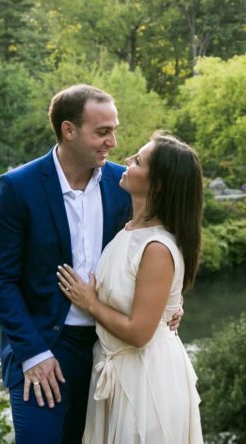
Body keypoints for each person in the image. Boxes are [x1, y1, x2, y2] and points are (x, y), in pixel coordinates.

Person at [0, 85, 181, 444]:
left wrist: (171, 303)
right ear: (68, 130)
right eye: (102, 132)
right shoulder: (17, 187)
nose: (113, 142)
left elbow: (155, 245)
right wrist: (33, 354)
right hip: (44, 350)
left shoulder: (124, 183)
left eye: (114, 130)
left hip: (110, 352)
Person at [58, 132, 204, 443]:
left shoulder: (156, 247)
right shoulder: (128, 229)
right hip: (116, 368)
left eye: (137, 161)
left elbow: (140, 333)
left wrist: (90, 303)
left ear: (159, 183)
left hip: (146, 378)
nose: (126, 161)